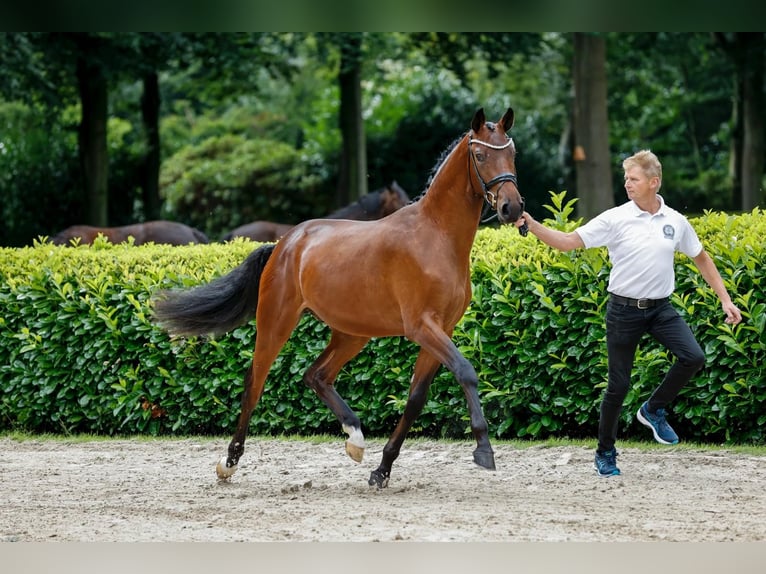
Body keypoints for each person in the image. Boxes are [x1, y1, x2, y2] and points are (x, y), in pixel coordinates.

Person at [515, 150, 742, 477]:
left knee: (693, 356)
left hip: (660, 310)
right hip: (623, 311)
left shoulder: (675, 221)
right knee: (618, 386)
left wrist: (725, 299)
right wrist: (533, 224)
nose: (627, 184)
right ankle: (605, 452)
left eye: (634, 179)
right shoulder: (616, 218)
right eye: (626, 178)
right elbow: (567, 242)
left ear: (654, 182)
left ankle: (653, 409)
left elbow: (701, 258)